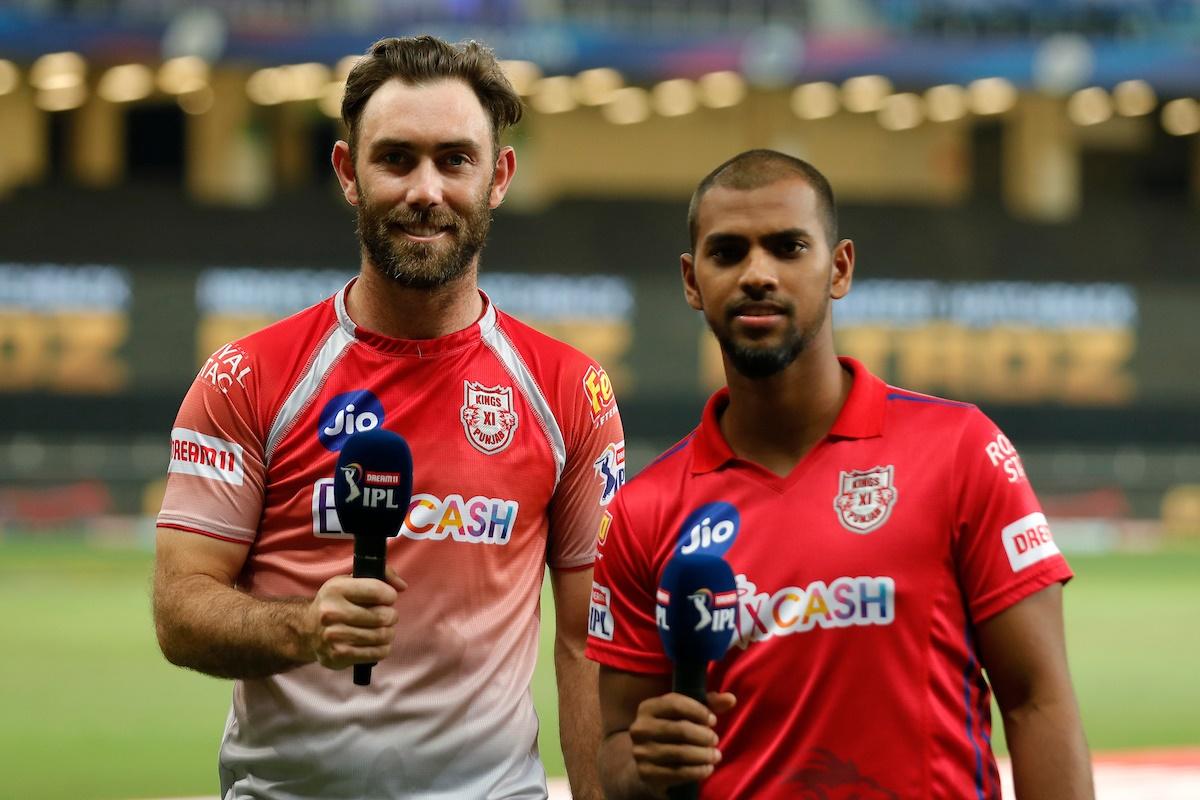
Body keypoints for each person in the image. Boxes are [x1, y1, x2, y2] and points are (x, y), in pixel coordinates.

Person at [153, 35, 621, 800]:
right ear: (348, 173)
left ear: (498, 176)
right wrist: (301, 628)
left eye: (455, 160)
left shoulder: (569, 391)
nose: (426, 189)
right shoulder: (248, 377)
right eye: (397, 158)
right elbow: (179, 608)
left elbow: (586, 642)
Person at [585, 149, 1093, 799]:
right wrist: (643, 762)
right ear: (692, 281)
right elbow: (615, 751)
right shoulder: (644, 510)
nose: (757, 274)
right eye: (728, 252)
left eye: (789, 247)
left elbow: (1038, 702)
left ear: (839, 268)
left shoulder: (961, 449)